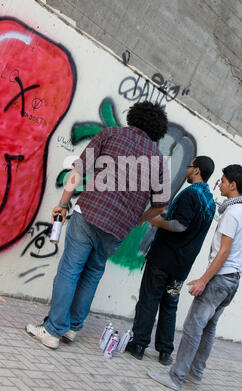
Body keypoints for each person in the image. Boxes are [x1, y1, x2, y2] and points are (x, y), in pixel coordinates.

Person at [26, 101, 170, 349]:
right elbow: (160, 206)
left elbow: (79, 169)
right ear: (158, 130)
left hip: (90, 213)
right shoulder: (158, 160)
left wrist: (63, 203)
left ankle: (52, 330)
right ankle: (71, 328)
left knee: (70, 269)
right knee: (92, 273)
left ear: (134, 117)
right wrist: (138, 220)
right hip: (118, 228)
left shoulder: (111, 134)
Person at [148, 164, 242, 391]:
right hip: (233, 279)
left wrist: (204, 279)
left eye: (224, 181)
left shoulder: (232, 213)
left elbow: (224, 251)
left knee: (193, 326)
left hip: (220, 279)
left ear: (233, 185)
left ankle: (175, 377)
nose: (220, 184)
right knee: (209, 327)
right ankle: (195, 374)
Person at [126, 156, 216, 365]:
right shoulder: (210, 201)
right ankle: (165, 352)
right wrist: (169, 215)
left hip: (162, 261)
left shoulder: (190, 194)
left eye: (189, 166)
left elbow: (181, 226)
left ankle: (139, 345)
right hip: (181, 268)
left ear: (196, 171)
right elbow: (190, 223)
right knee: (170, 305)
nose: (186, 169)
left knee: (149, 299)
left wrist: (158, 221)